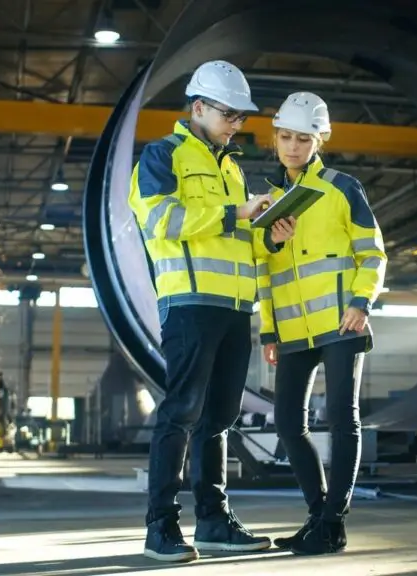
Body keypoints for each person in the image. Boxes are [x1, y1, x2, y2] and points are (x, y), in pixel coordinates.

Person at [127, 60, 297, 563]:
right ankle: (160, 528)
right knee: (180, 414)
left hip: (233, 308)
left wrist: (268, 234)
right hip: (189, 305)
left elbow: (239, 241)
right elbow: (161, 219)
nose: (235, 123)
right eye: (228, 113)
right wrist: (237, 212)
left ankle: (213, 522)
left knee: (219, 419)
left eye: (241, 117)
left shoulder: (233, 169)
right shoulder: (163, 156)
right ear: (197, 107)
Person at [256, 91, 388, 555]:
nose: (293, 147)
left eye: (303, 138)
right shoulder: (268, 200)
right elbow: (264, 273)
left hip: (340, 322)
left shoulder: (342, 187)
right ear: (275, 138)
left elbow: (372, 253)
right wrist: (269, 330)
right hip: (292, 330)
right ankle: (317, 515)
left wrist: (361, 301)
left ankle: (333, 522)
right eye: (286, 137)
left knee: (341, 420)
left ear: (321, 139)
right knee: (288, 423)